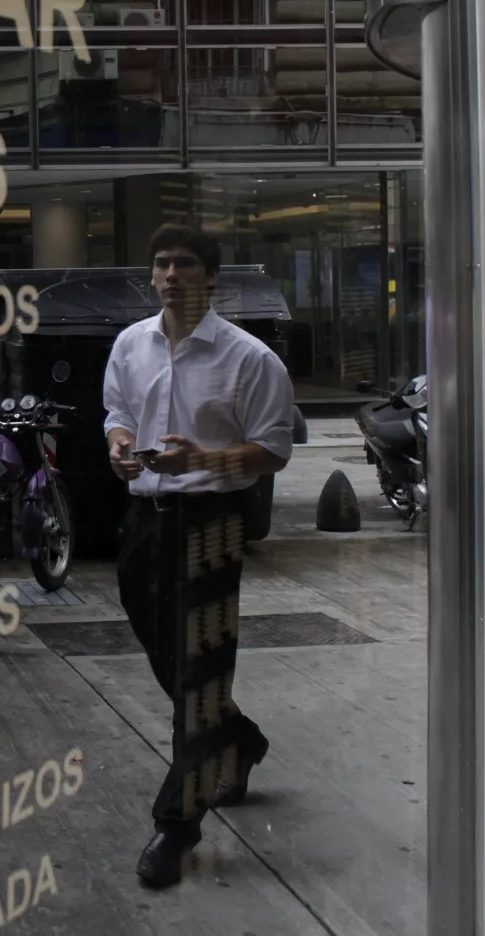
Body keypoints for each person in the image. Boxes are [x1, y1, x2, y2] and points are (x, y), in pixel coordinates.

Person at [103, 225, 294, 889]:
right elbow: (117, 414)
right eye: (162, 264)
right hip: (145, 521)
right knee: (176, 665)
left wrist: (204, 458)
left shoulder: (248, 359)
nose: (173, 275)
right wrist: (121, 447)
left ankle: (176, 826)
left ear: (212, 278)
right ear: (151, 275)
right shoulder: (130, 345)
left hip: (212, 523)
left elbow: (272, 450)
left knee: (201, 676)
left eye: (186, 264)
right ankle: (237, 742)